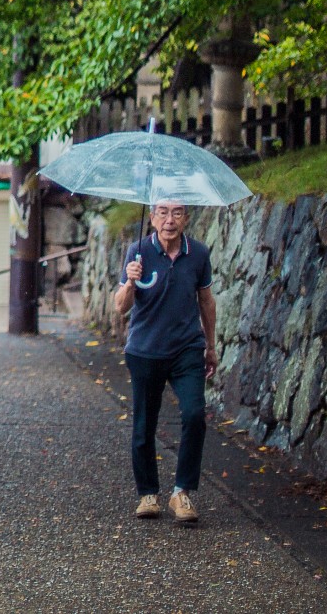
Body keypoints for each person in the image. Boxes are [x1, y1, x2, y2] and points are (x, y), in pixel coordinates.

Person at [113, 199, 218, 523]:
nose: (169, 220)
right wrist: (131, 280)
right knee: (145, 424)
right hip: (145, 350)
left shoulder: (198, 253)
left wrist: (211, 345)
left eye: (176, 213)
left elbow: (206, 300)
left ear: (186, 218)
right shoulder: (138, 251)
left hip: (187, 348)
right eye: (162, 212)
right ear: (153, 218)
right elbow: (120, 307)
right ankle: (148, 494)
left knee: (195, 414)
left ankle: (181, 492)